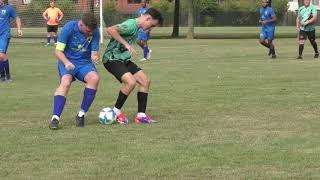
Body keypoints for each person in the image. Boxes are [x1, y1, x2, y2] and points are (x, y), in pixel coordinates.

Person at [102, 8, 163, 124]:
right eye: (152, 25)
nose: (151, 28)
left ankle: (141, 115)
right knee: (130, 82)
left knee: (145, 81)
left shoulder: (137, 27)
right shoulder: (131, 25)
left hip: (124, 59)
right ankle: (115, 112)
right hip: (112, 59)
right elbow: (110, 29)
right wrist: (125, 44)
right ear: (147, 18)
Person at [49, 12, 100, 129]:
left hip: (84, 63)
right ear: (81, 24)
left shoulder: (94, 31)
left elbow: (94, 52)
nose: (90, 33)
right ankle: (55, 118)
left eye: (92, 31)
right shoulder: (69, 28)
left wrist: (95, 57)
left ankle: (81, 114)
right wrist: (66, 63)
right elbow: (58, 51)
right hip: (67, 60)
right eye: (88, 31)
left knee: (94, 78)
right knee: (65, 82)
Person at [0, 0, 22, 82]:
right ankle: (2, 76)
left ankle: (8, 76)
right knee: (1, 56)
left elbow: (17, 18)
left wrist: (19, 29)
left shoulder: (8, 8)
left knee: (1, 55)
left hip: (4, 35)